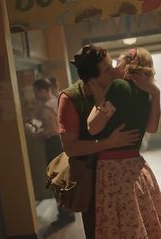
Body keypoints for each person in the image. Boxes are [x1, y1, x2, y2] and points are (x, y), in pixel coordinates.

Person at [87, 47, 161, 238]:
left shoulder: (118, 87)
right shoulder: (146, 93)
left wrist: (98, 100)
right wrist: (157, 94)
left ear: (128, 65)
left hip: (114, 170)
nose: (113, 67)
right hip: (137, 168)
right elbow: (152, 128)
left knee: (119, 226)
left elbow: (93, 127)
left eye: (118, 61)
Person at [57, 45, 141, 239]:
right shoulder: (70, 99)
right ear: (92, 79)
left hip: (124, 177)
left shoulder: (116, 87)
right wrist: (108, 143)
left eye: (111, 65)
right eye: (107, 70)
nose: (114, 71)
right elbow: (71, 148)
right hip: (93, 183)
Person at [32, 79, 75, 225]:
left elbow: (51, 130)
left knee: (56, 179)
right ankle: (66, 212)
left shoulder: (48, 106)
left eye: (36, 91)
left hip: (54, 143)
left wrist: (36, 134)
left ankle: (65, 214)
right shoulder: (55, 101)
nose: (36, 95)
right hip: (59, 143)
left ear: (42, 90)